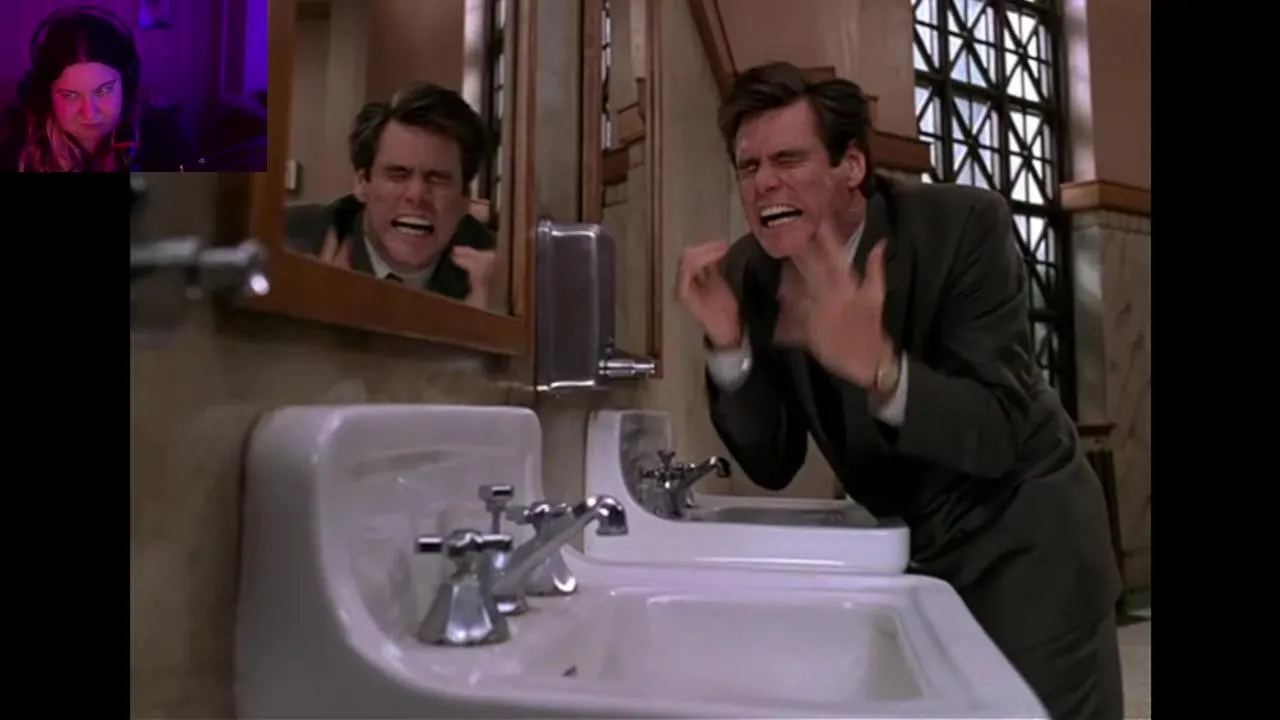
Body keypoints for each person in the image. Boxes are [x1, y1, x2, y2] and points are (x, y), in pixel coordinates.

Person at [677, 61, 1122, 720]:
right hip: (906, 553)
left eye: (788, 159)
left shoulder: (963, 225)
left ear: (851, 166)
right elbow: (772, 462)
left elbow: (997, 429)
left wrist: (882, 369)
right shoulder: (749, 271)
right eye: (748, 167)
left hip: (1025, 546)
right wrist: (727, 343)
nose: (763, 182)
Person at [285, 83, 497, 309]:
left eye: (437, 179)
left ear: (465, 198)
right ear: (362, 183)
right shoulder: (289, 243)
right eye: (398, 174)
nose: (416, 195)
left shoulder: (498, 273)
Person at [5, 6, 174, 172]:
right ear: (47, 96)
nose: (89, 114)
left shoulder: (162, 141)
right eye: (70, 95)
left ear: (126, 86)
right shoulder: (19, 153)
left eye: (104, 91)